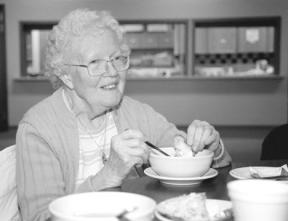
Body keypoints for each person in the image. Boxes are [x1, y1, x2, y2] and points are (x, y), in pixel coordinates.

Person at [16, 8, 232, 221]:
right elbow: (40, 217)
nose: (112, 72)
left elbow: (189, 159)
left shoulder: (135, 112)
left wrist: (209, 147)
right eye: (95, 63)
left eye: (117, 58)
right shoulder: (38, 129)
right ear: (66, 75)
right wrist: (108, 175)